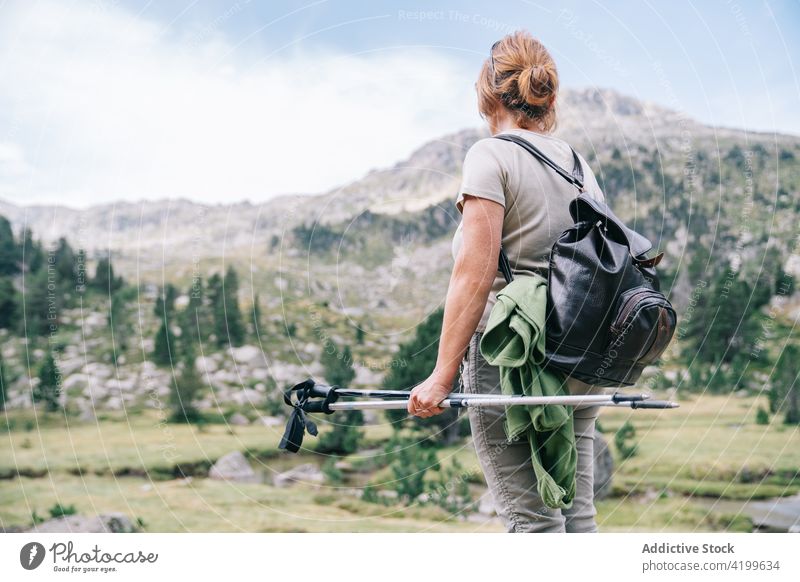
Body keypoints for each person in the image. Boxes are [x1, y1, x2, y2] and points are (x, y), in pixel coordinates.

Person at [407, 30, 606, 533]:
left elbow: (474, 275)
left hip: (513, 357)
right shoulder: (578, 166)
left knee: (532, 521)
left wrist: (441, 376)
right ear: (549, 96)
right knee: (576, 511)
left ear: (487, 94)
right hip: (580, 353)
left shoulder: (489, 156)